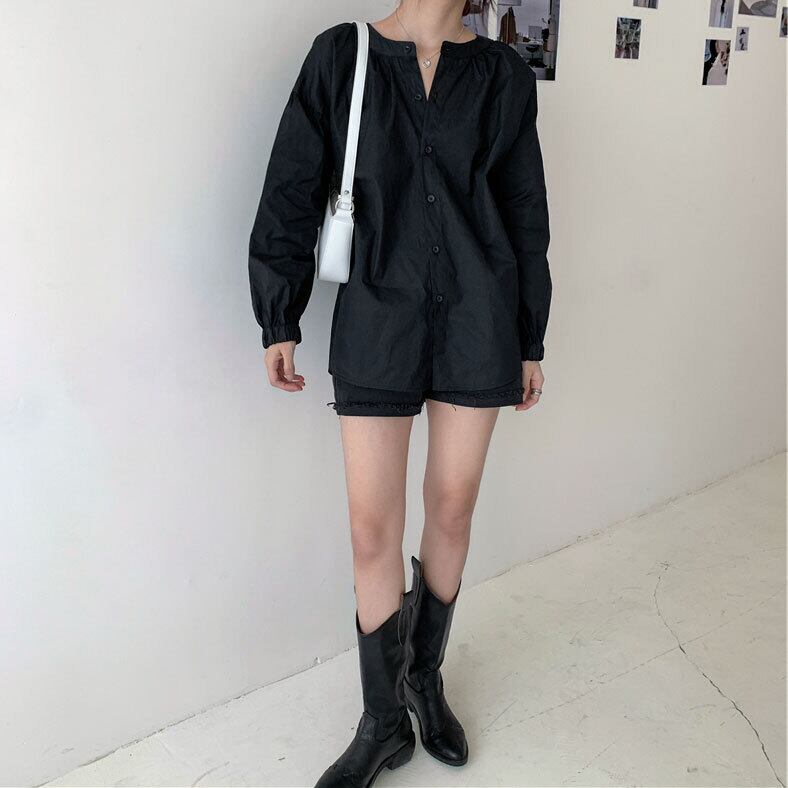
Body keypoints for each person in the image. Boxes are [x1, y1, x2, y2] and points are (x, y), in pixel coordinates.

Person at [248, 1, 551, 785]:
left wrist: (529, 336)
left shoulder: (502, 74)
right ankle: (382, 720)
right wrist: (278, 313)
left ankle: (424, 677)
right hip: (378, 315)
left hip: (480, 317)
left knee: (452, 505)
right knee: (370, 528)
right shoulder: (342, 55)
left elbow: (524, 209)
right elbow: (291, 184)